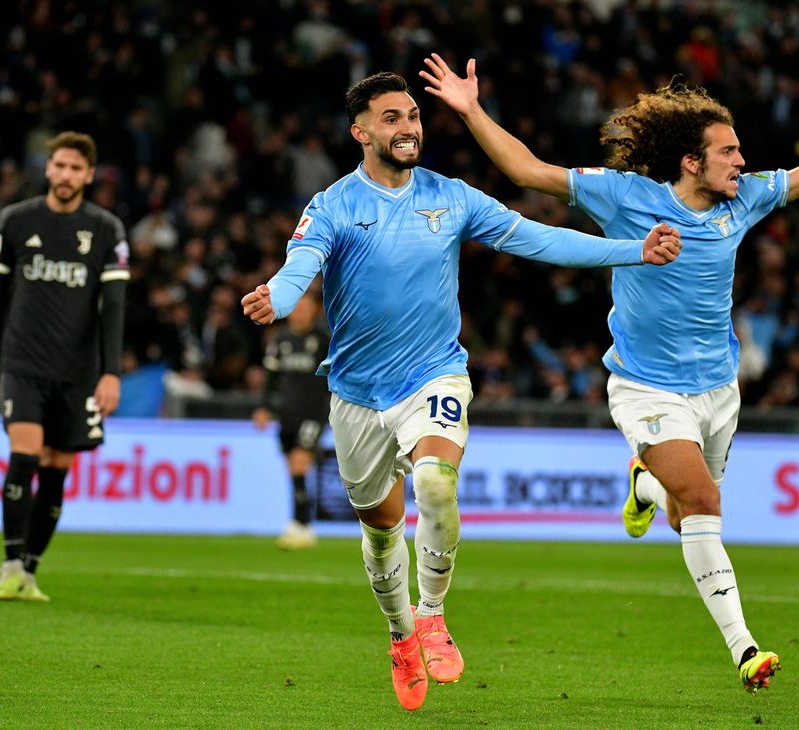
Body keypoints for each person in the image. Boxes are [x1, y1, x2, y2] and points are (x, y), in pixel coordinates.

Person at [421, 51, 799, 693]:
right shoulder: (626, 197)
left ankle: (645, 487)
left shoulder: (746, 200)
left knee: (685, 515)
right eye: (729, 151)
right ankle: (746, 649)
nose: (742, 160)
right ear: (692, 161)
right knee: (705, 501)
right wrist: (471, 109)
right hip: (646, 387)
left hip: (719, 392)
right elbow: (526, 169)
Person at [241, 71, 682, 711]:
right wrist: (275, 301)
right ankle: (399, 636)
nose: (408, 127)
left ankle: (432, 616)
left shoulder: (452, 198)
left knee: (436, 482)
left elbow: (540, 238)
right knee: (381, 528)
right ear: (360, 131)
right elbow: (298, 268)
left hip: (435, 374)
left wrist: (632, 251)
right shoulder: (334, 204)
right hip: (358, 393)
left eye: (414, 115)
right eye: (391, 118)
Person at [0, 131, 129, 602]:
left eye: (75, 168)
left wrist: (111, 371)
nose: (65, 175)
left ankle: (31, 570)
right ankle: (11, 563)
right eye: (59, 165)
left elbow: (113, 307)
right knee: (26, 452)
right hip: (22, 362)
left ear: (89, 175)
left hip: (78, 369)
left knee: (57, 465)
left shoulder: (106, 230)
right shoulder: (16, 220)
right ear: (48, 168)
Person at [252, 289, 331, 550]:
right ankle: (303, 524)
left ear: (313, 311)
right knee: (293, 470)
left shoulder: (323, 340)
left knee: (299, 464)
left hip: (313, 414)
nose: (299, 313)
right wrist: (263, 407)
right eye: (296, 308)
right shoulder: (281, 340)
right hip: (287, 414)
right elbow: (270, 377)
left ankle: (300, 524)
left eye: (305, 308)